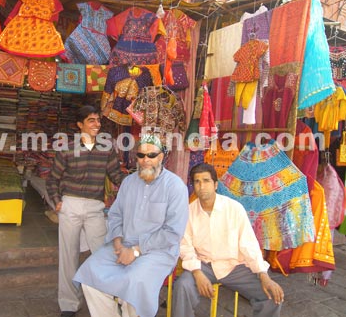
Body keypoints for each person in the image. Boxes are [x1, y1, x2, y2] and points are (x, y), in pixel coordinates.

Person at [73, 134, 189, 317]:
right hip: (123, 244)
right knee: (90, 275)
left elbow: (172, 233)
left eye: (151, 155)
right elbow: (115, 215)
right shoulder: (128, 182)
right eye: (141, 155)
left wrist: (136, 251)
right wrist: (118, 243)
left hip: (158, 251)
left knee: (134, 286)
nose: (145, 160)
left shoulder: (175, 187)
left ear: (161, 156)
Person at [173, 163, 284, 317]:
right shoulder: (188, 212)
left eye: (206, 181)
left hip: (235, 266)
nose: (201, 186)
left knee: (271, 294)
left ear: (215, 184)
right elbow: (185, 246)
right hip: (204, 265)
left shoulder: (234, 208)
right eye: (197, 182)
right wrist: (197, 273)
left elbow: (249, 244)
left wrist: (263, 275)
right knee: (182, 286)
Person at [45, 105, 126, 317]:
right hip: (70, 204)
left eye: (98, 120)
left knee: (102, 254)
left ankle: (105, 302)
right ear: (80, 124)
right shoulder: (67, 149)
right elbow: (52, 179)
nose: (96, 125)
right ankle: (68, 304)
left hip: (95, 207)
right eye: (91, 120)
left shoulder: (107, 149)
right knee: (68, 256)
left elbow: (117, 177)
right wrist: (57, 202)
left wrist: (137, 184)